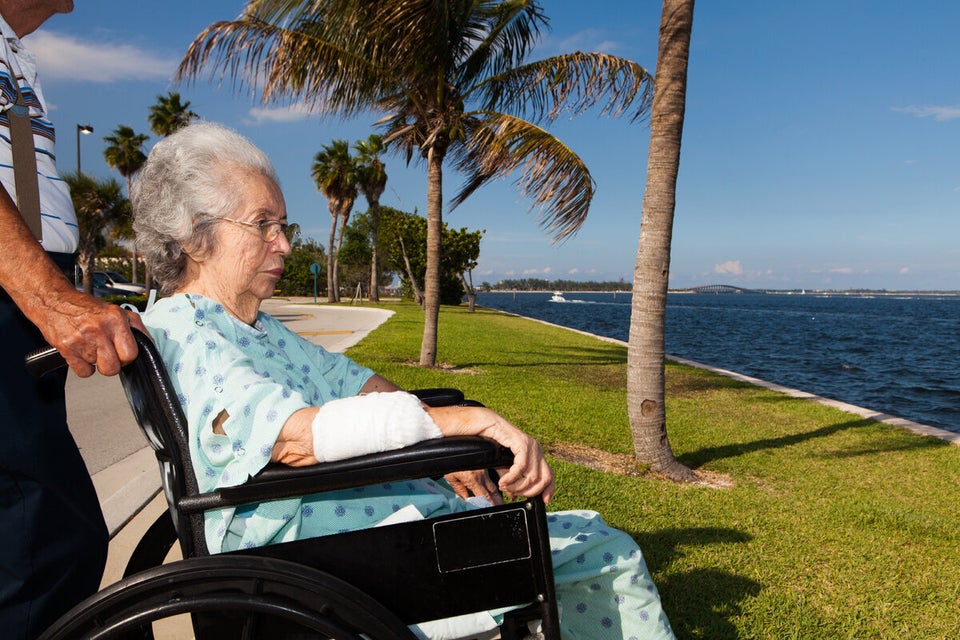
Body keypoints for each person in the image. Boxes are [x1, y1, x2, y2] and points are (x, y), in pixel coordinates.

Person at [132, 122, 675, 640]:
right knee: (604, 552)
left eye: (284, 226)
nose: (286, 245)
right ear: (194, 236)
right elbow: (293, 437)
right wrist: (461, 423)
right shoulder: (188, 331)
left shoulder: (254, 328)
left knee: (555, 532)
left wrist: (441, 440)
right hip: (312, 559)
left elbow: (356, 382)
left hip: (341, 533)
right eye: (263, 225)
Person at [0, 1, 145, 637]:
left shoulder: (16, 53)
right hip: (13, 297)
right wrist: (51, 298)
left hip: (19, 301)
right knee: (43, 540)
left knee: (45, 537)